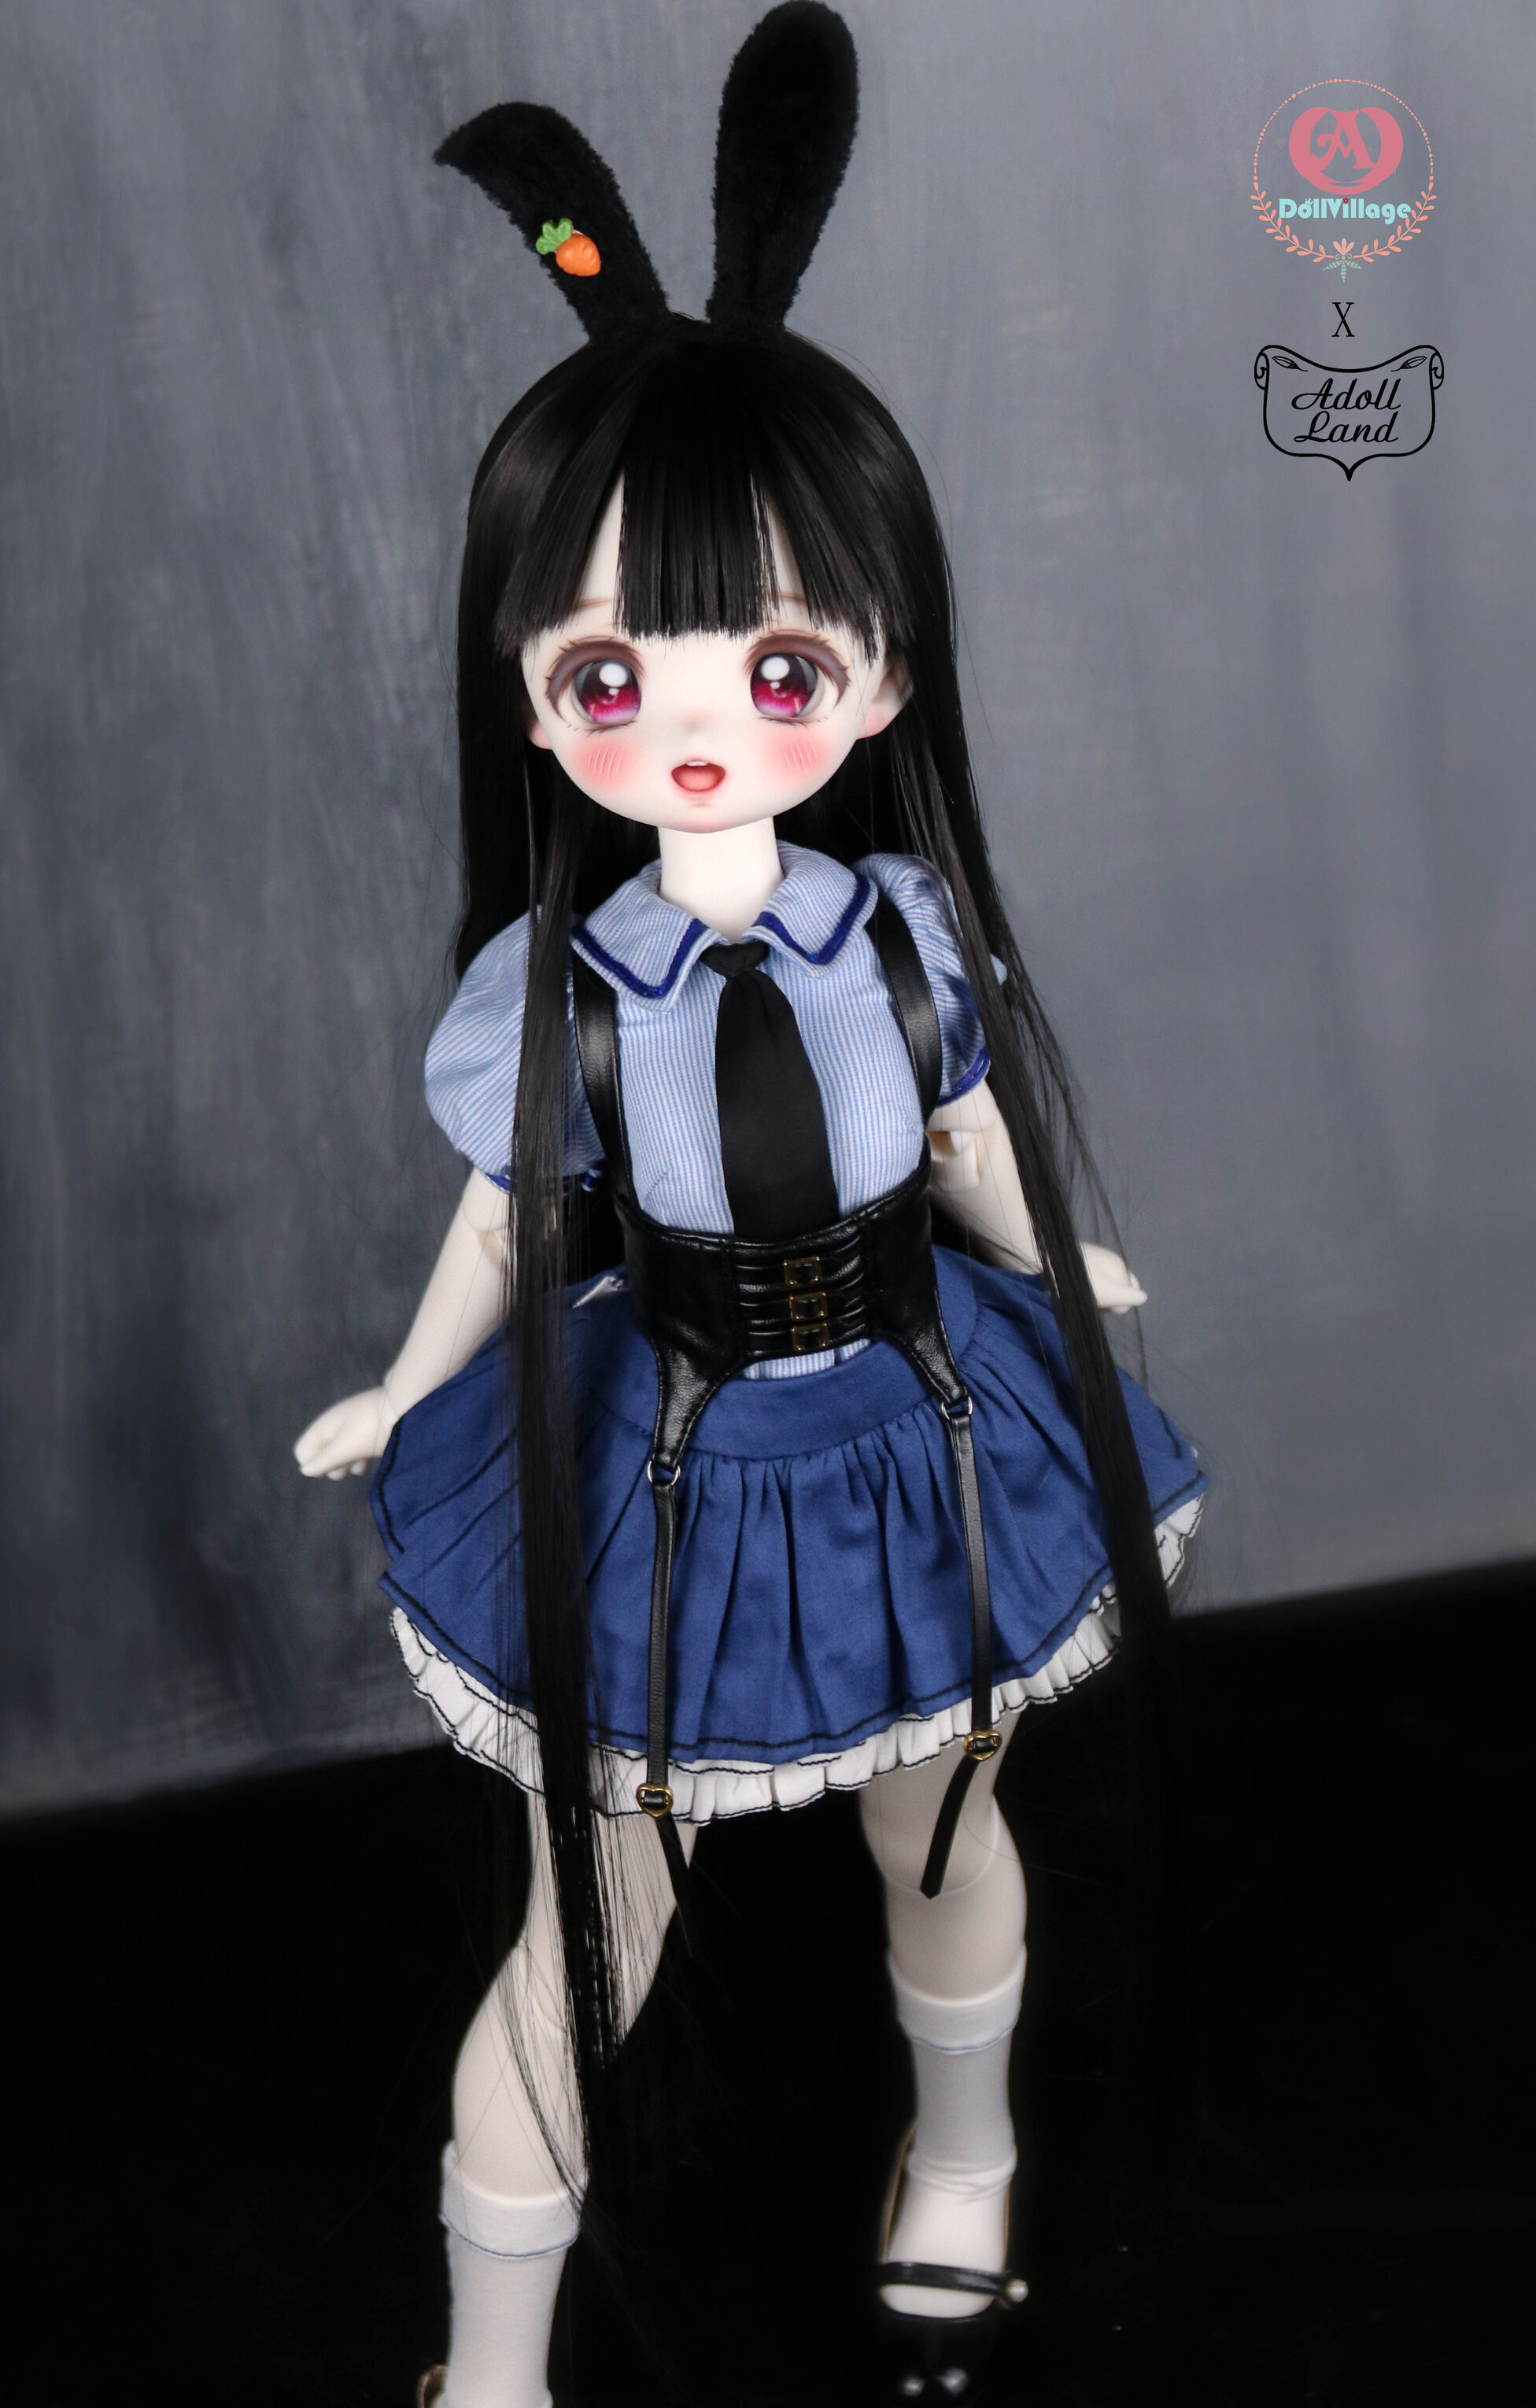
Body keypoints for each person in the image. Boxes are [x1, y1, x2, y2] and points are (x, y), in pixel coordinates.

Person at [294, 11, 1205, 2403]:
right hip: (668, 1455)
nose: (697, 719)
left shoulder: (901, 942)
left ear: (879, 677)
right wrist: (405, 1385)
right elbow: (504, 1221)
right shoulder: (558, 999)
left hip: (913, 1423)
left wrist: (1061, 1269)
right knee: (586, 1928)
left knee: (945, 1825)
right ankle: (497, 2355)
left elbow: (969, 1133)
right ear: (534, 698)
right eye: (613, 670)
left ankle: (968, 2153)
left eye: (778, 659)